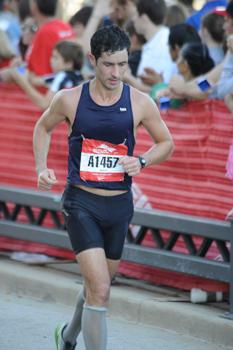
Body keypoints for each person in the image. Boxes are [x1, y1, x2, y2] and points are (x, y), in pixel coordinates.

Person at [33, 24, 174, 350]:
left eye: (123, 64)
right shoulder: (69, 99)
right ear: (92, 60)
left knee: (99, 285)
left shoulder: (140, 102)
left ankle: (67, 337)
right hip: (82, 203)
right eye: (109, 64)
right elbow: (43, 128)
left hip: (119, 205)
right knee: (100, 289)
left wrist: (141, 162)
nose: (116, 72)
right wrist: (41, 167)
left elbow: (166, 143)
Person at [9, 40, 84, 110]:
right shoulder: (78, 75)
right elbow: (34, 80)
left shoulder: (61, 76)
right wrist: (21, 68)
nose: (51, 60)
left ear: (68, 64)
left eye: (55, 58)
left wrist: (23, 83)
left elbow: (45, 105)